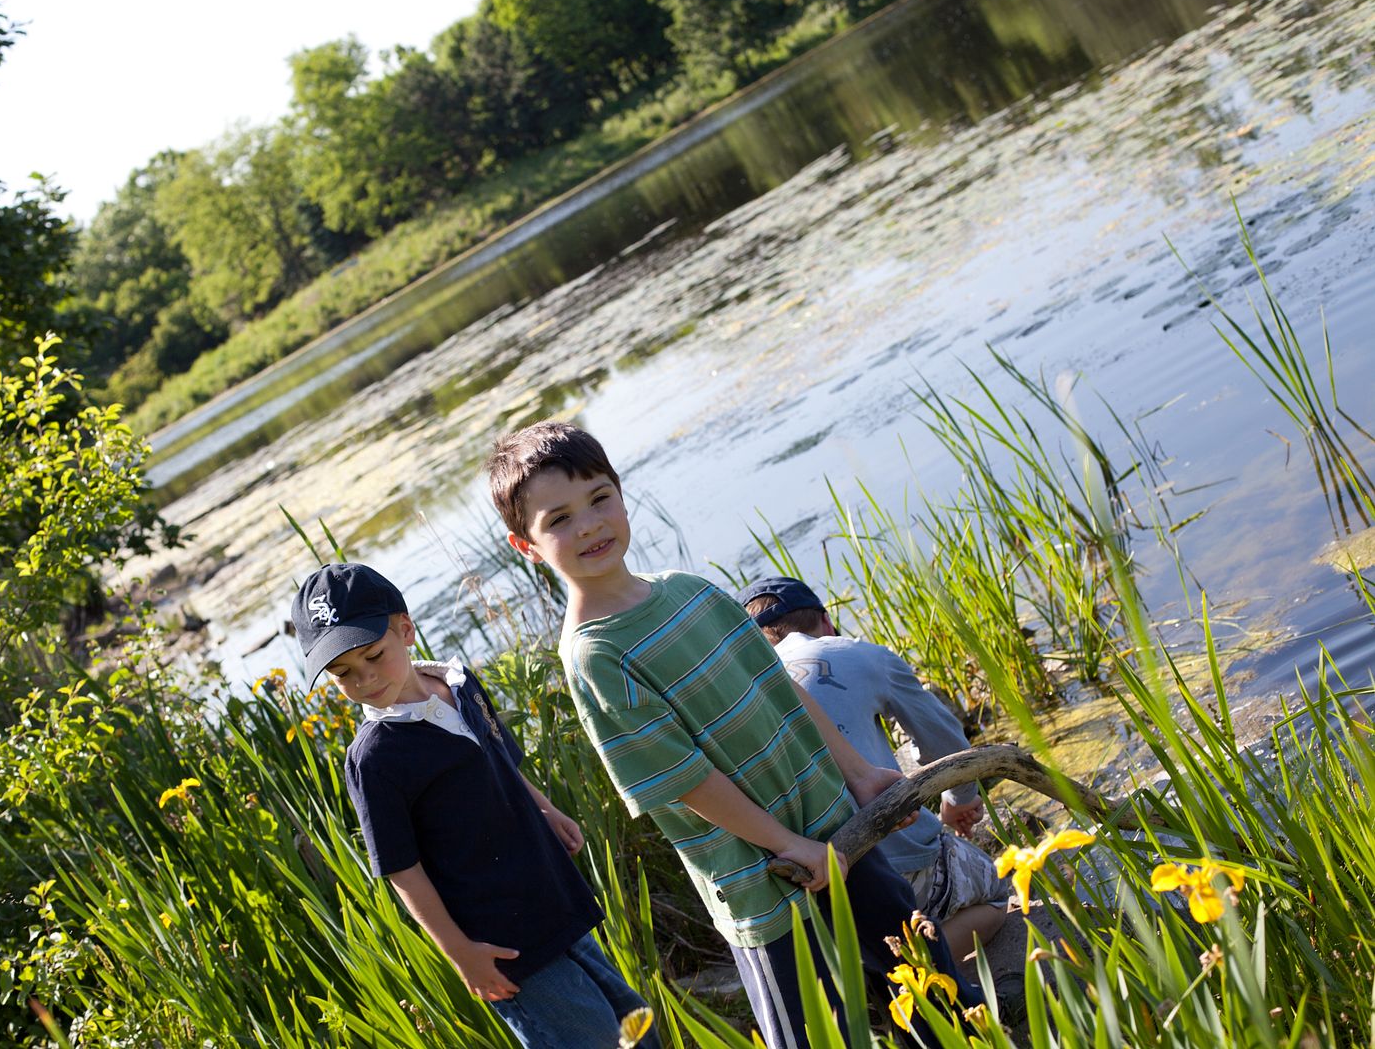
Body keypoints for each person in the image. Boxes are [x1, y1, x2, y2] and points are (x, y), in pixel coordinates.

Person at [485, 421, 981, 1049]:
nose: (588, 525)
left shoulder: (691, 594)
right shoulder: (595, 658)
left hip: (834, 830)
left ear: (620, 493)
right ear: (526, 546)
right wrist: (787, 846)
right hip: (763, 877)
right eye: (558, 519)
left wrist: (859, 773)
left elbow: (781, 689)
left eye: (599, 498)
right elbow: (683, 780)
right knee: (817, 1033)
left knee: (933, 991)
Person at [293, 562, 658, 1049]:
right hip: (500, 941)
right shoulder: (375, 758)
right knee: (589, 1039)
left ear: (405, 629)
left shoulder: (460, 685)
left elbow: (501, 760)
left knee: (633, 1022)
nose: (363, 679)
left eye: (374, 655)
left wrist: (545, 809)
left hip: (551, 894)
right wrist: (460, 952)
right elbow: (402, 869)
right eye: (342, 673)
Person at [737, 576, 1012, 963]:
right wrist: (958, 801)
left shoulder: (742, 691)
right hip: (902, 868)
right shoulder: (858, 653)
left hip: (814, 891)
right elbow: (944, 739)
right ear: (825, 620)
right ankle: (918, 971)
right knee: (999, 894)